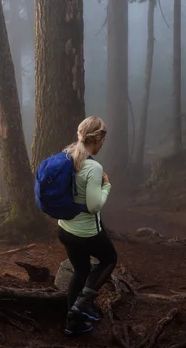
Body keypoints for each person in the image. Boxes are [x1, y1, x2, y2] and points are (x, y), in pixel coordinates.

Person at [58, 116, 117, 335]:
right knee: (110, 259)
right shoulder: (93, 167)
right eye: (102, 141)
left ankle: (72, 322)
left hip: (65, 228)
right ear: (98, 138)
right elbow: (94, 206)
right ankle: (81, 305)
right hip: (85, 232)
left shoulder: (67, 156)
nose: (102, 145)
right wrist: (107, 186)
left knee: (81, 269)